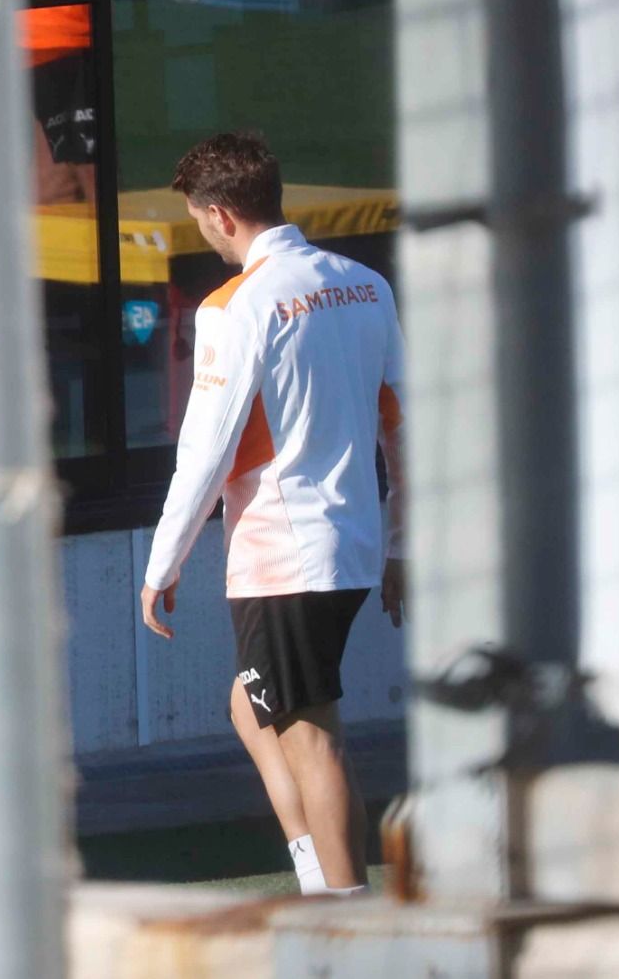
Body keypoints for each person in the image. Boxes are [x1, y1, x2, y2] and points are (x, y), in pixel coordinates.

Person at [138, 132, 405, 896]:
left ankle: (348, 914)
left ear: (220, 214)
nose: (200, 230)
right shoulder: (366, 285)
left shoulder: (235, 306)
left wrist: (161, 566)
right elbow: (404, 423)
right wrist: (398, 547)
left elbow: (205, 452)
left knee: (309, 731)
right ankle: (319, 874)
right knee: (253, 705)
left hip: (283, 556)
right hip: (349, 545)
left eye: (197, 218)